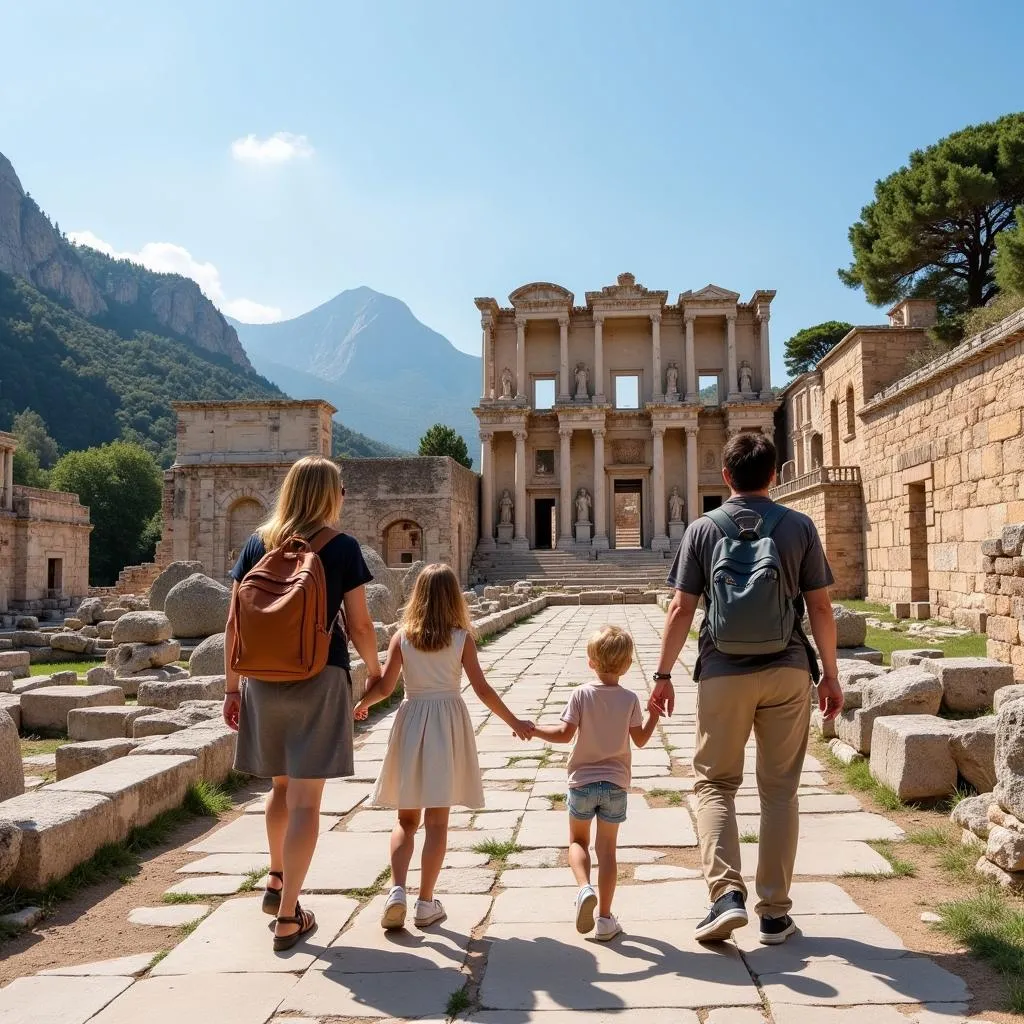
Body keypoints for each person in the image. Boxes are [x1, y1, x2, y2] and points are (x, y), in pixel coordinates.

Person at [651, 432, 843, 946]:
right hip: (787, 669)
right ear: (774, 475)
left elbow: (681, 609)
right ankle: (775, 914)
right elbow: (821, 607)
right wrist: (831, 673)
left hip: (722, 670)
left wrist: (663, 675)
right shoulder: (799, 526)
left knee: (715, 784)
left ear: (726, 477)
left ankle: (725, 896)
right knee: (780, 791)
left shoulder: (702, 529)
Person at [223, 456, 383, 951]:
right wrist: (376, 673)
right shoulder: (342, 548)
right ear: (330, 495)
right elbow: (358, 625)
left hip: (263, 680)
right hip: (320, 674)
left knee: (279, 787)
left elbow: (234, 623)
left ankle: (274, 880)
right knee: (308, 803)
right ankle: (290, 915)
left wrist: (231, 688)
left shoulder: (258, 542)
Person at [353, 563, 534, 930]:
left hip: (411, 719)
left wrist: (363, 704)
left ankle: (397, 891)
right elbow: (481, 689)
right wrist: (514, 721)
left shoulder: (403, 637)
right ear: (453, 598)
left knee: (406, 820)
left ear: (417, 596)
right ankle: (424, 902)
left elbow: (386, 688)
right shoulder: (461, 638)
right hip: (447, 722)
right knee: (437, 823)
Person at [530, 625, 660, 941]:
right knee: (609, 851)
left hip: (582, 783)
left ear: (591, 662)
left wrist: (533, 729)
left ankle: (583, 887)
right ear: (628, 665)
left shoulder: (581, 694)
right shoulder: (630, 699)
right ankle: (604, 919)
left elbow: (563, 735)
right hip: (615, 784)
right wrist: (654, 713)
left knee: (577, 842)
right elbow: (640, 740)